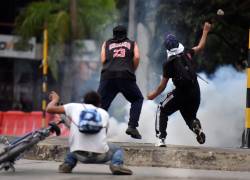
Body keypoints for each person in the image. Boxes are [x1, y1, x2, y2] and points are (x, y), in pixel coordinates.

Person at [147, 22, 212, 147]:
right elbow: (200, 46)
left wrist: (152, 95)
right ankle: (195, 126)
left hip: (181, 93)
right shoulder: (187, 52)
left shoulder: (168, 64)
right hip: (195, 92)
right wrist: (205, 31)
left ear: (167, 49)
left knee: (162, 109)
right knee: (189, 116)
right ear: (178, 44)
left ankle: (161, 139)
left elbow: (162, 86)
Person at [46, 90, 132, 175]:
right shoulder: (104, 113)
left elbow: (49, 109)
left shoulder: (74, 107)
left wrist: (55, 99)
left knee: (74, 144)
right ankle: (116, 165)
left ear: (84, 101)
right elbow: (103, 135)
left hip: (78, 155)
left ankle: (68, 164)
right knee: (118, 149)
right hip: (100, 155)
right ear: (99, 104)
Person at [98, 25, 144, 139]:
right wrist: (132, 69)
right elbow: (137, 57)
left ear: (113, 34)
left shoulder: (106, 43)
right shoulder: (132, 43)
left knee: (101, 105)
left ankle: (97, 130)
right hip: (125, 75)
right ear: (125, 33)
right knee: (137, 99)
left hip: (108, 76)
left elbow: (103, 60)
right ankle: (132, 126)